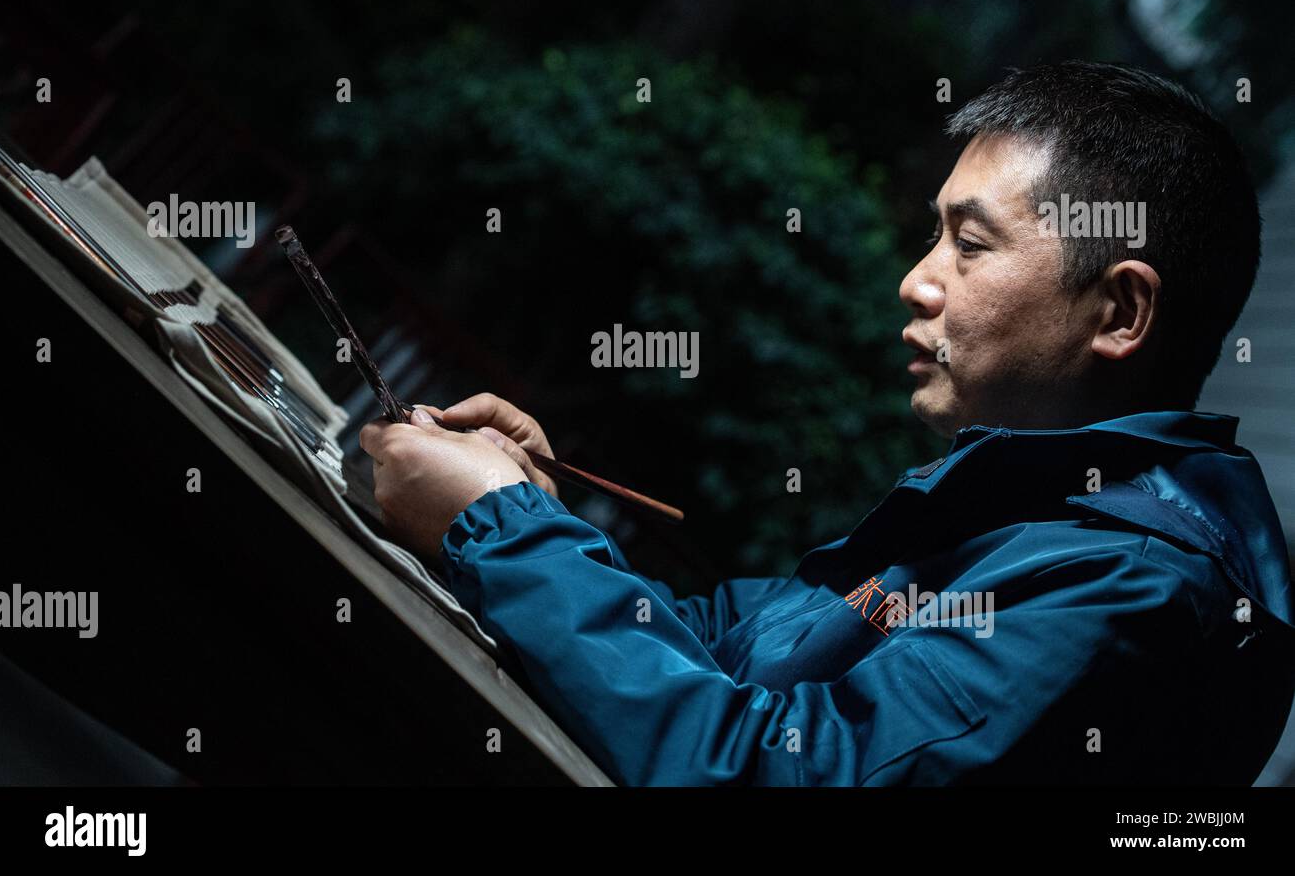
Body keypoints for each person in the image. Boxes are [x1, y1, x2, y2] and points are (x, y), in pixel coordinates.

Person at [360, 62, 1295, 785]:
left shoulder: (1130, 591)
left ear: (1121, 313)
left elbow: (779, 770)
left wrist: (502, 531)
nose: (917, 281)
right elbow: (736, 650)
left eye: (969, 246)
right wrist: (531, 507)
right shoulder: (1032, 509)